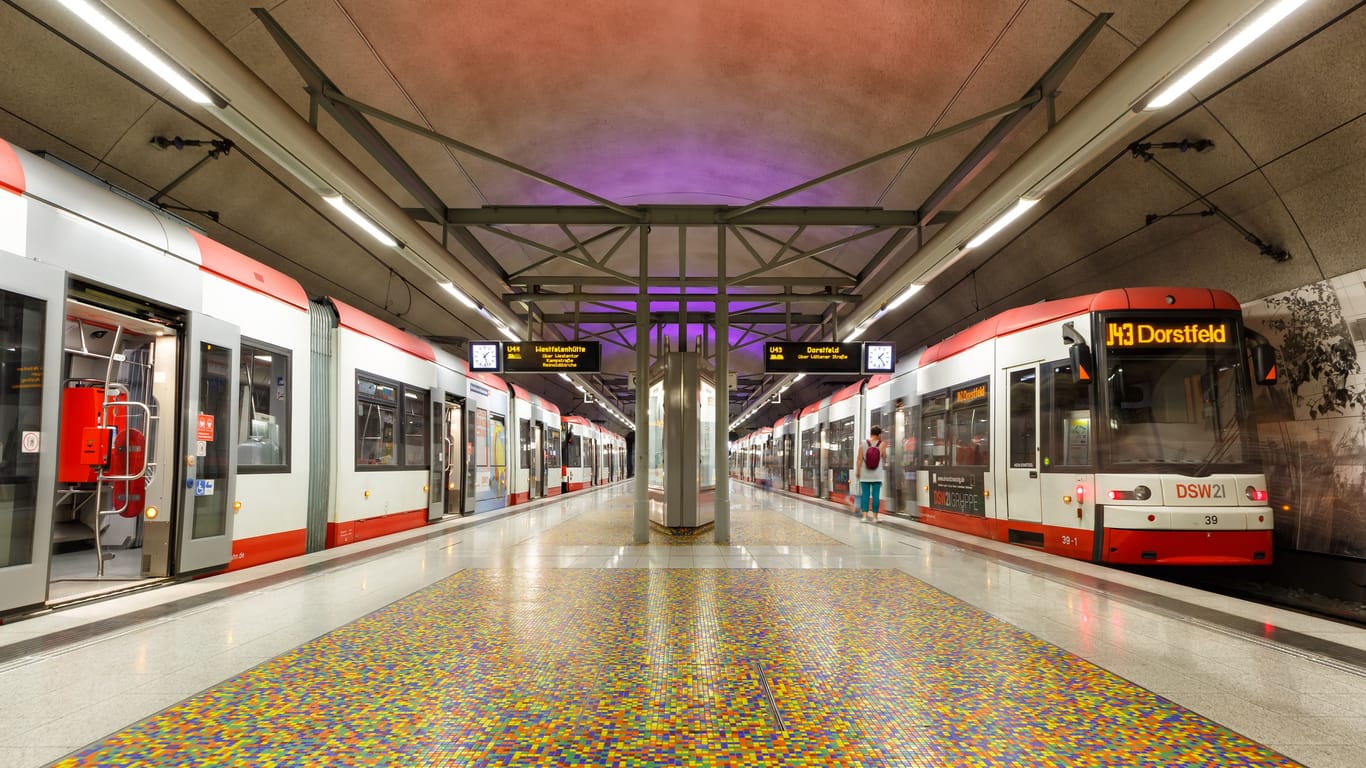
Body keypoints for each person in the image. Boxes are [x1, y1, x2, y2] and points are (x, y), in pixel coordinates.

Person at [854, 425, 887, 523]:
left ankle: (864, 517)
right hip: (877, 474)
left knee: (865, 495)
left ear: (871, 433)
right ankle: (875, 517)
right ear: (879, 434)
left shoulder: (863, 443)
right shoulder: (882, 444)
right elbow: (884, 457)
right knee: (876, 495)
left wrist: (858, 471)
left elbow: (859, 459)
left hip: (865, 474)